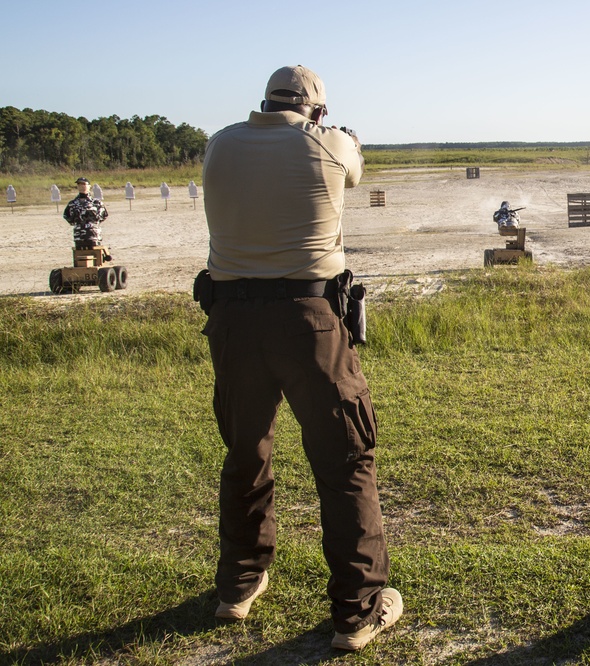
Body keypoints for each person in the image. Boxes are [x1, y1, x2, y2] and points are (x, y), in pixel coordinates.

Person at [199, 65, 402, 651]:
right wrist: (345, 138)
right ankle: (357, 610)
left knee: (245, 452)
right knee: (345, 463)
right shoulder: (331, 142)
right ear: (315, 109)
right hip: (309, 318)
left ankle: (238, 584)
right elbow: (354, 171)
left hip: (232, 319)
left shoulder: (219, 144)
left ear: (263, 100)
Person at [63, 177, 108, 249]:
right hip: (79, 236)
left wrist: (93, 223)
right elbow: (66, 215)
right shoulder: (72, 203)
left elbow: (104, 215)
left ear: (89, 186)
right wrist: (77, 223)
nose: (81, 186)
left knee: (96, 256)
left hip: (93, 236)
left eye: (84, 184)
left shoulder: (96, 203)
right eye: (79, 184)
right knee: (80, 258)